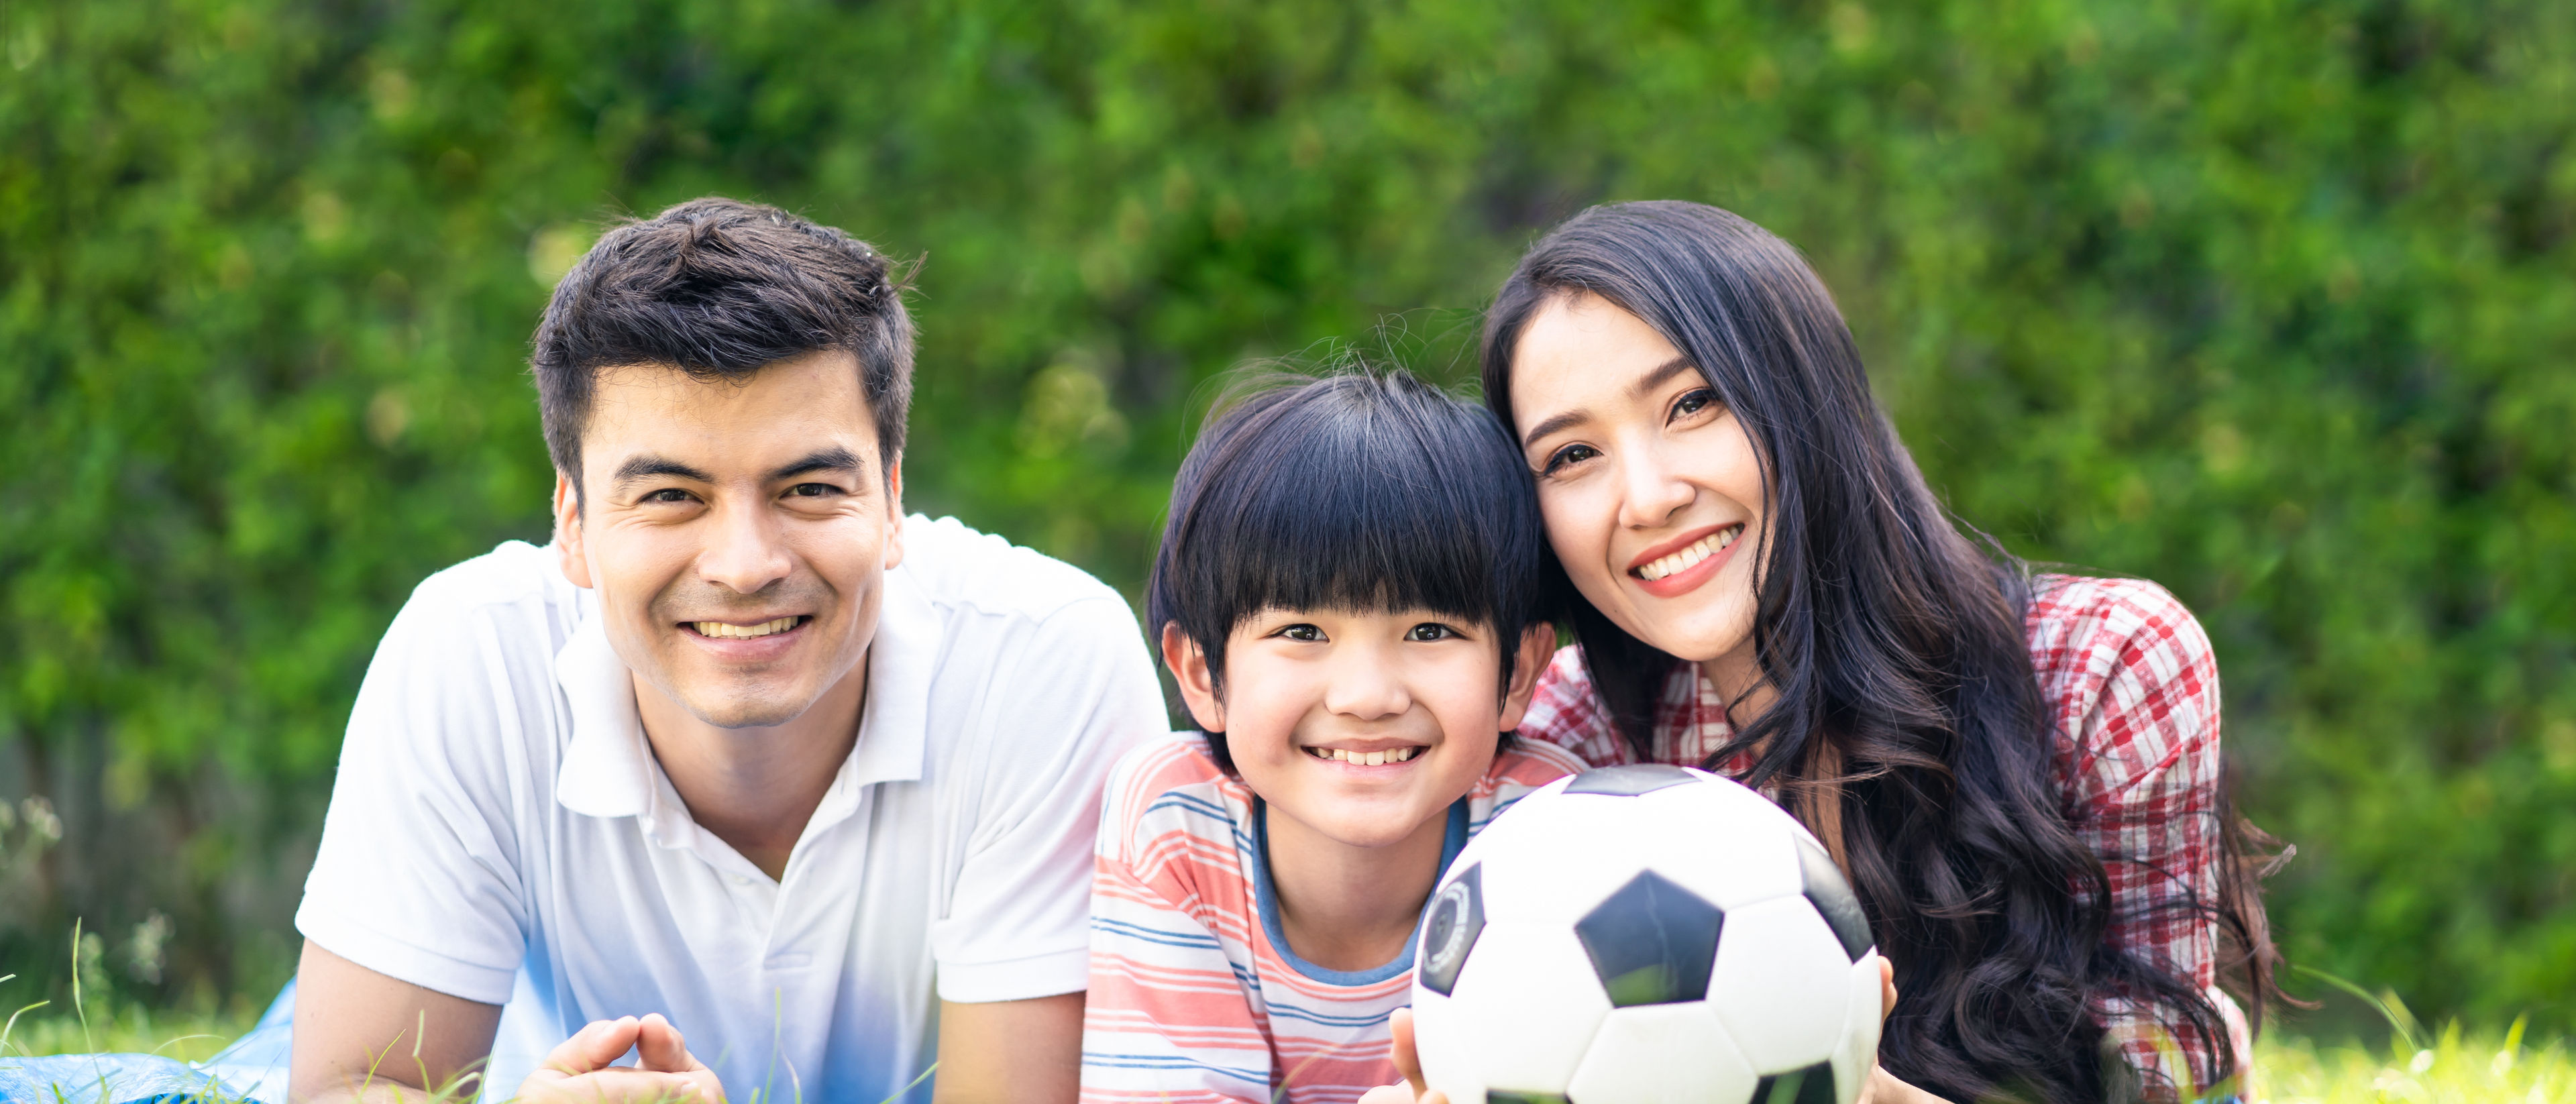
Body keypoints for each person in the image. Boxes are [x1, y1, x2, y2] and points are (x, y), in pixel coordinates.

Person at [287, 198, 1167, 1104]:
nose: (746, 566)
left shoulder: (1049, 659)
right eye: (671, 494)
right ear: (574, 522)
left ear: (894, 499)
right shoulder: (468, 652)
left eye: (811, 487)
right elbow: (347, 1085)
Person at [1465, 201, 2284, 1104]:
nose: (1648, 496)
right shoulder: (1573, 734)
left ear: (1806, 397)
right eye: (1573, 453)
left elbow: (2164, 1086)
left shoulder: (2102, 664)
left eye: (1693, 402)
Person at [1077, 372, 1588, 1104]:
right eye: (1303, 631)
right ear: (1201, 672)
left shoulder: (1544, 830)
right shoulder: (1175, 820)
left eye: (1430, 630)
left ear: (1519, 673)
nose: (1367, 696)